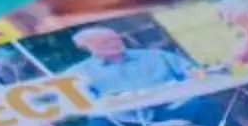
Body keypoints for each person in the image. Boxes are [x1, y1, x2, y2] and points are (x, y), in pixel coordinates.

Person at [67, 26, 198, 97]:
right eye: (105, 42)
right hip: (120, 118)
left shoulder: (156, 56)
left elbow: (194, 71)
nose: (114, 43)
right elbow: (77, 99)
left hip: (172, 106)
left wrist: (191, 80)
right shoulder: (78, 72)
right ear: (86, 47)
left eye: (116, 39)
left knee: (201, 107)